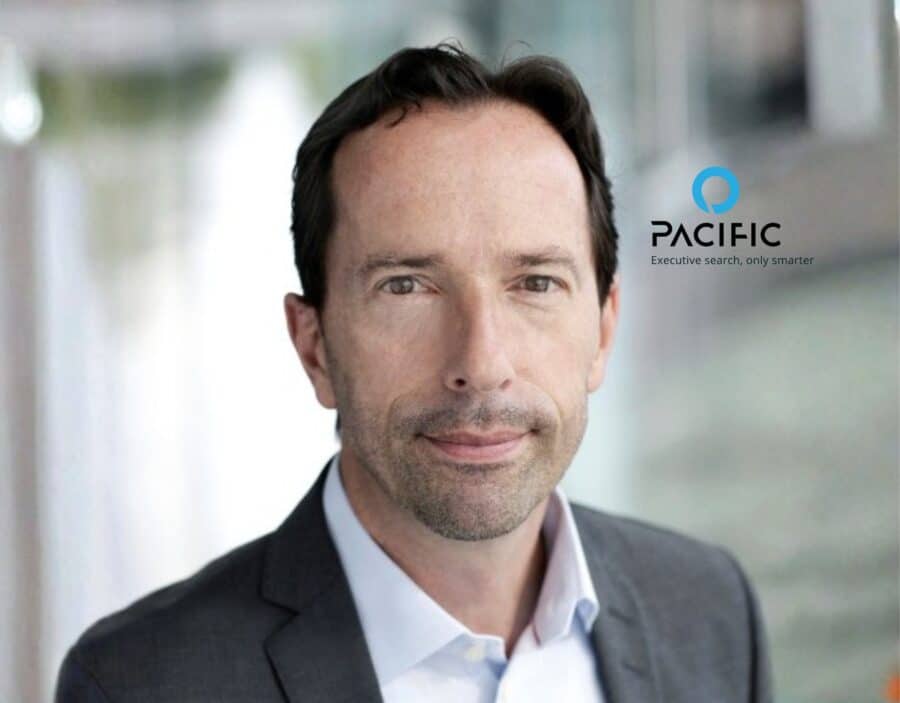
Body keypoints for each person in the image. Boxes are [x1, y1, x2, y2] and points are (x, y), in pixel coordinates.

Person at [56, 43, 773, 703]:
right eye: (406, 286)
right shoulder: (140, 684)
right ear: (314, 347)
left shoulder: (711, 613)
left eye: (535, 283)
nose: (481, 364)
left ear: (603, 331)